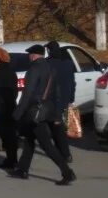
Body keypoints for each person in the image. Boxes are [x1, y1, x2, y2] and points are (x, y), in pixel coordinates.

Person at [10, 44, 75, 185]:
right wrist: (56, 114)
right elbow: (57, 94)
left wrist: (17, 113)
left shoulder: (34, 69)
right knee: (29, 140)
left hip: (34, 111)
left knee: (46, 145)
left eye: (30, 54)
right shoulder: (51, 68)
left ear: (34, 55)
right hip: (45, 111)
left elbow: (28, 94)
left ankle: (67, 172)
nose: (29, 56)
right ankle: (22, 170)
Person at [44, 41, 75, 164]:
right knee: (57, 126)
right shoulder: (68, 63)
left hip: (52, 100)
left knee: (56, 128)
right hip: (64, 100)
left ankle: (64, 153)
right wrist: (71, 99)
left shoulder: (48, 64)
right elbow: (73, 83)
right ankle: (63, 153)